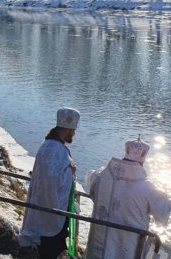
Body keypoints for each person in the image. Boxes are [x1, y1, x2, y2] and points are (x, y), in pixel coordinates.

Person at [85, 140, 171, 259]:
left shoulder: (100, 176)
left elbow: (89, 179)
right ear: (143, 158)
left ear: (126, 152)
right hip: (128, 248)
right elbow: (163, 214)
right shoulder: (147, 188)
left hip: (98, 248)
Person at [19, 108, 80, 259]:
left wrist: (68, 170)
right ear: (67, 129)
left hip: (48, 208)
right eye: (73, 130)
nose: (74, 134)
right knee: (48, 251)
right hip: (49, 212)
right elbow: (50, 182)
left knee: (51, 249)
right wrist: (70, 172)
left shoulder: (53, 145)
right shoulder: (53, 149)